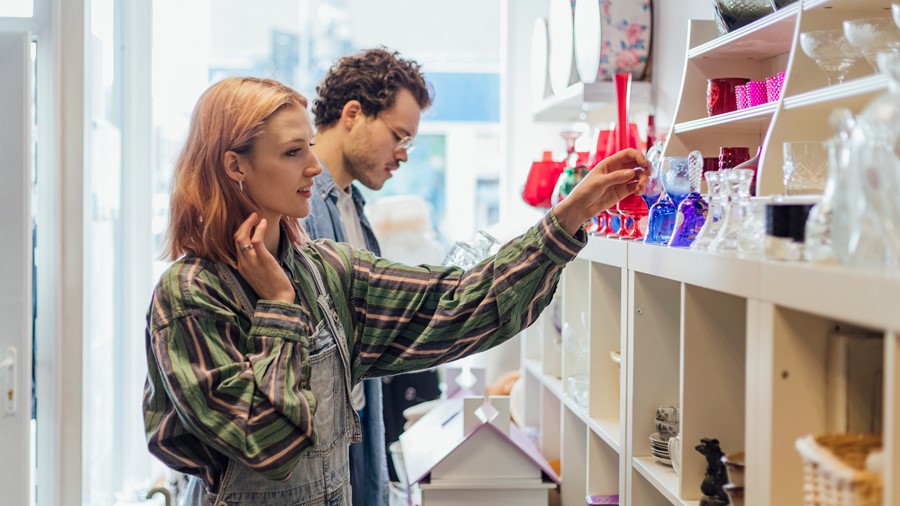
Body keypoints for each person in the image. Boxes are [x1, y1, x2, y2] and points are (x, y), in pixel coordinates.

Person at [142, 76, 648, 506]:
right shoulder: (188, 297)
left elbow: (458, 301)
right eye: (294, 153)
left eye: (309, 151)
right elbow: (266, 441)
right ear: (235, 167)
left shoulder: (328, 272)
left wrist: (567, 218)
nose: (313, 168)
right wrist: (278, 308)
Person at [304, 48, 433, 504]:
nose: (402, 156)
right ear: (353, 114)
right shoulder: (299, 209)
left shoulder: (352, 206)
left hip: (354, 425)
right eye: (399, 136)